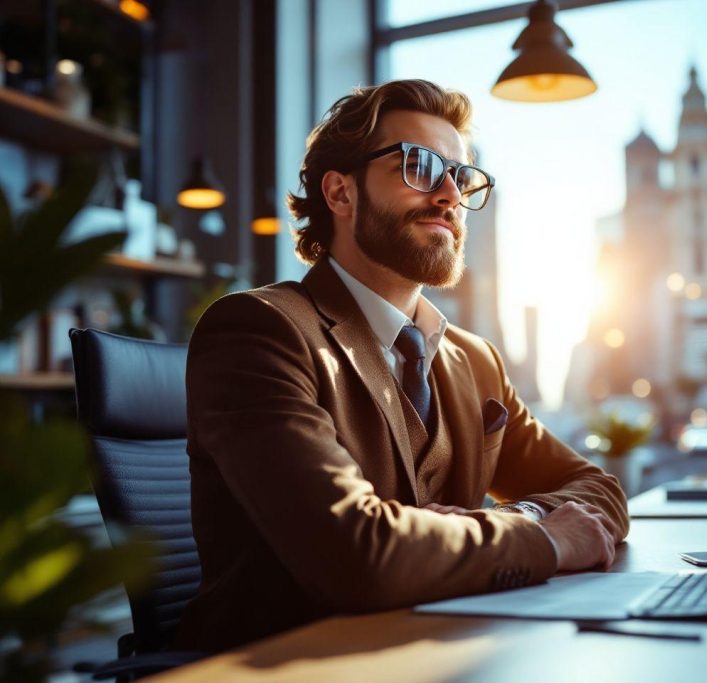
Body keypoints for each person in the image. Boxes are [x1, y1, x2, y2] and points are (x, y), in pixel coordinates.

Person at [176, 79, 629, 652]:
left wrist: (527, 514)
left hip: (448, 651)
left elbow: (598, 491)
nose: (448, 195)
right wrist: (541, 537)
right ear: (340, 194)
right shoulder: (258, 332)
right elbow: (353, 555)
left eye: (460, 178)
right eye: (419, 165)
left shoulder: (476, 359)